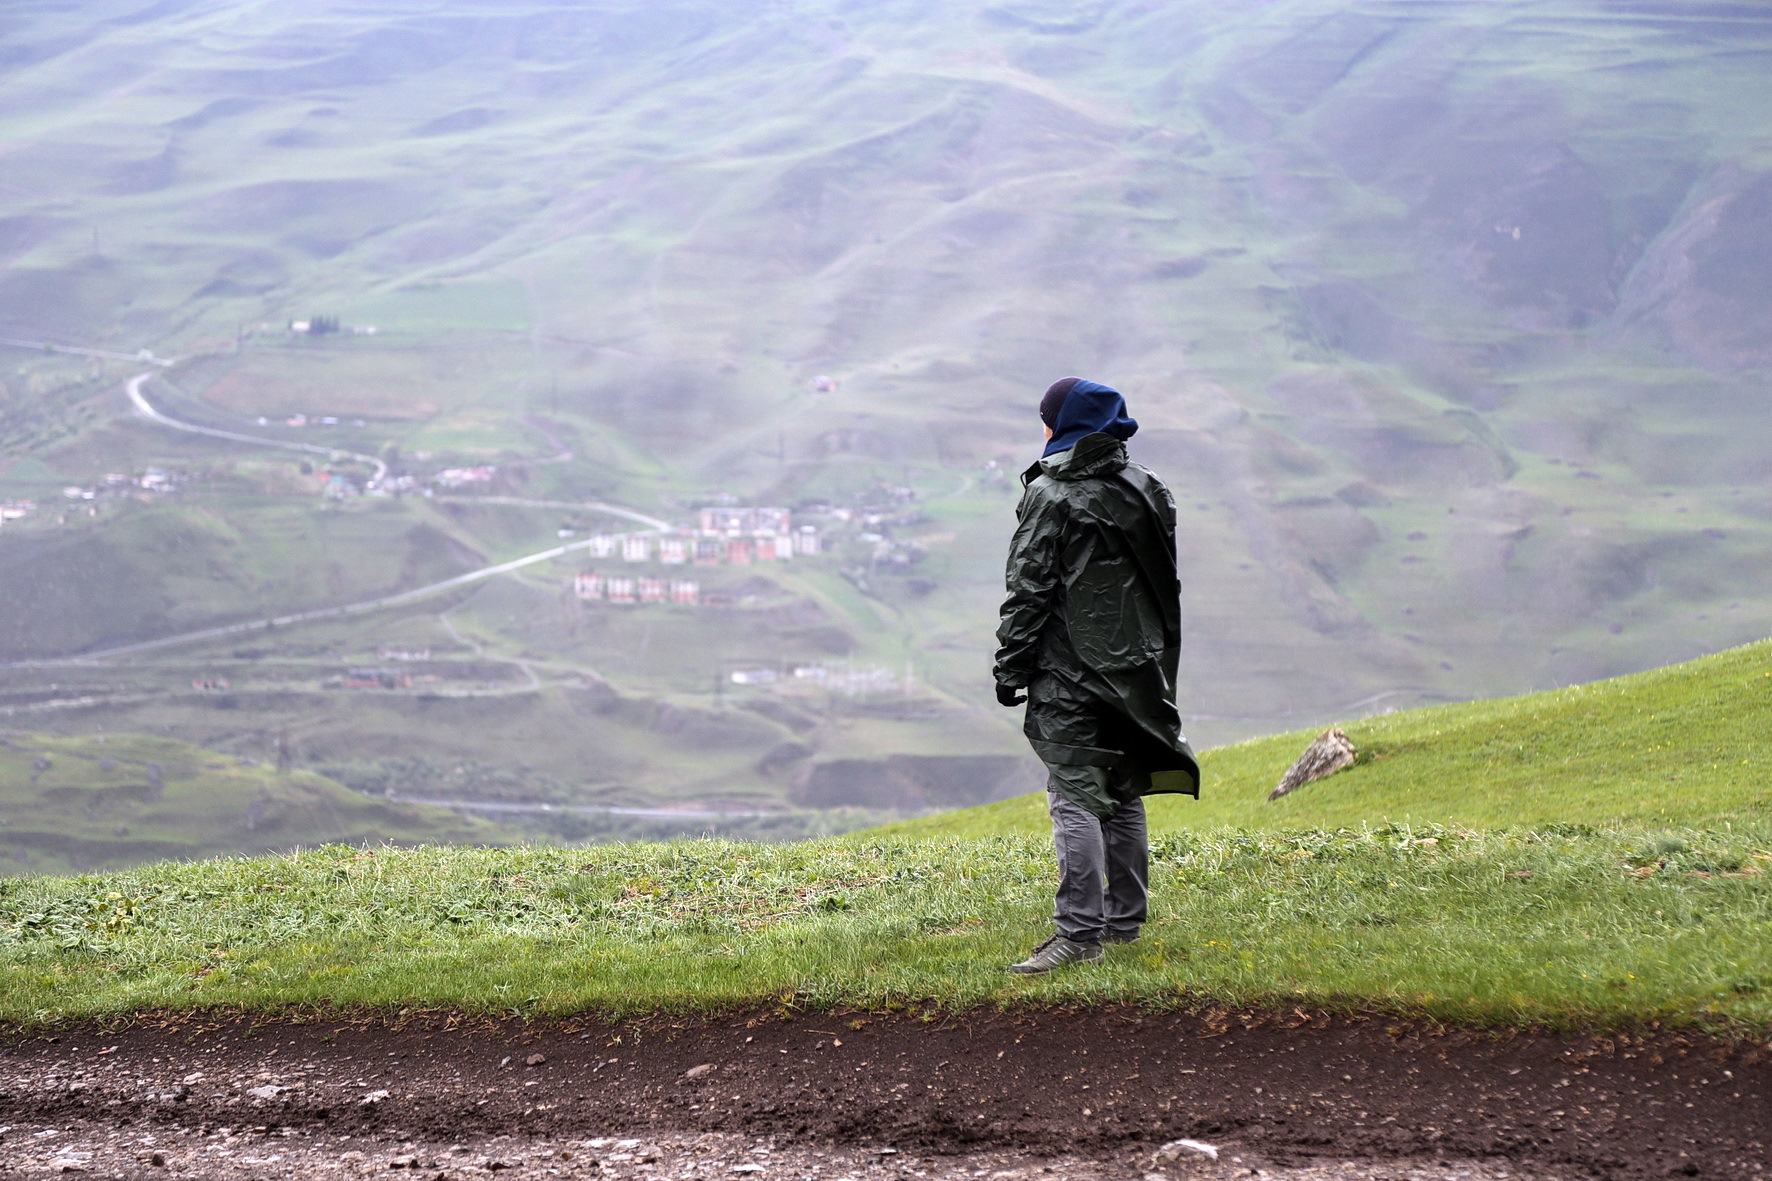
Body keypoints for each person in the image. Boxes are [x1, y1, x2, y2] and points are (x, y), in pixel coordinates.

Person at [994, 376, 1200, 974]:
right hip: (1137, 663)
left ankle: (1078, 934)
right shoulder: (1149, 488)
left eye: (1047, 419)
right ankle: (1124, 923)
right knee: (1124, 785)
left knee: (1074, 793)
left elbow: (1028, 591)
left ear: (1063, 425)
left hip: (1071, 667)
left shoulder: (1052, 496)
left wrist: (1011, 667)